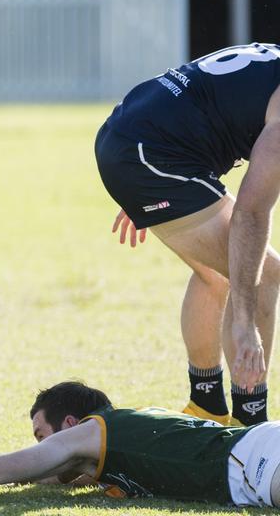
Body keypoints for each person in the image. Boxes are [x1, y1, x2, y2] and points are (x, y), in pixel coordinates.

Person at [97, 43, 280, 427]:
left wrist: (145, 185)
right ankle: (252, 429)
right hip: (150, 157)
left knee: (215, 274)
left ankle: (206, 406)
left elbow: (206, 100)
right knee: (261, 276)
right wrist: (244, 324)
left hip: (135, 138)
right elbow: (251, 212)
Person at [0, 380, 280, 507]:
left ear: (70, 424)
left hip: (255, 462)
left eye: (42, 437)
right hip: (258, 454)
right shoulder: (114, 445)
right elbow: (52, 477)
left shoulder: (92, 432)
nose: (41, 449)